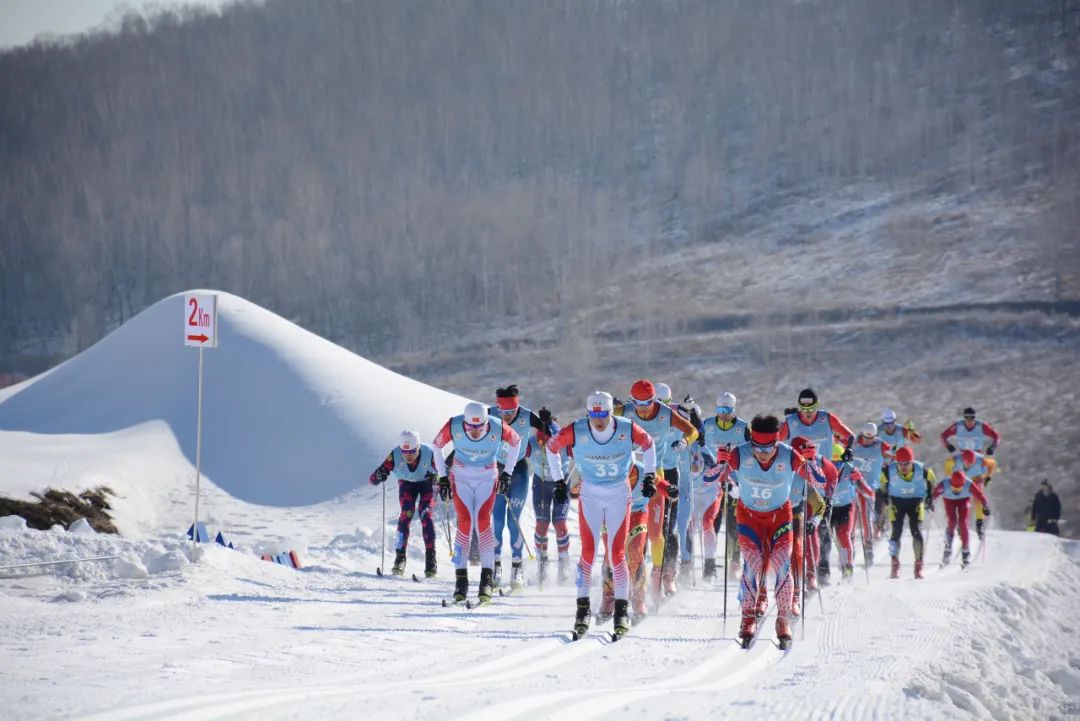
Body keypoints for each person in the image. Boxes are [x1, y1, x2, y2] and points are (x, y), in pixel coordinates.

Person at [546, 391, 657, 638]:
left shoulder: (626, 428)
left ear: (610, 412)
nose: (598, 420)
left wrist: (649, 475)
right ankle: (583, 610)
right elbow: (552, 447)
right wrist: (558, 481)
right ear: (588, 413)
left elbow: (649, 444)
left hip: (619, 493)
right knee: (588, 552)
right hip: (590, 495)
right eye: (594, 415)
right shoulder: (577, 430)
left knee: (618, 555)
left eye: (603, 415)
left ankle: (621, 611)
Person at [715, 415, 822, 647]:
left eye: (769, 447)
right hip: (749, 517)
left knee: (783, 566)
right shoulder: (740, 453)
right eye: (758, 447)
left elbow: (819, 480)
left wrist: (812, 461)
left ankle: (783, 621)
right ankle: (747, 619)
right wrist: (720, 462)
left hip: (779, 516)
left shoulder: (789, 454)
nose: (763, 453)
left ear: (777, 442)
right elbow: (710, 477)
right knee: (753, 565)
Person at [433, 401, 522, 603]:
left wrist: (507, 473)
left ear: (485, 422)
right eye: (470, 427)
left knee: (482, 522)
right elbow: (436, 445)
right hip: (461, 476)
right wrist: (442, 477)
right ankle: (461, 581)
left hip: (486, 476)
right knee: (464, 523)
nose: (474, 431)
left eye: (479, 427)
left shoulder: (497, 425)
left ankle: (486, 580)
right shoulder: (454, 425)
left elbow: (516, 441)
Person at [624, 379, 698, 602]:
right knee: (637, 530)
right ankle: (634, 581)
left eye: (649, 402)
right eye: (639, 403)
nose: (645, 408)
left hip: (663, 473)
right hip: (634, 473)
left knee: (663, 530)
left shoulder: (667, 413)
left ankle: (665, 575)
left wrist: (684, 443)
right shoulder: (627, 411)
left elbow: (694, 431)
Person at [488, 385, 557, 588]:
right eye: (502, 412)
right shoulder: (490, 413)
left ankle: (517, 567)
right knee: (498, 520)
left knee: (513, 521)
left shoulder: (527, 416)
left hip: (518, 471)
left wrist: (547, 422)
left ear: (517, 408)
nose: (505, 416)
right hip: (496, 470)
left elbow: (551, 435)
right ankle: (496, 565)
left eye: (510, 412)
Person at [368, 430, 439, 577]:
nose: (408, 455)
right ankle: (400, 558)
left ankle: (431, 560)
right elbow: (372, 479)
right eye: (405, 451)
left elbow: (446, 475)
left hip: (426, 484)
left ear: (418, 448)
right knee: (406, 514)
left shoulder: (429, 453)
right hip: (407, 484)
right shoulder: (395, 455)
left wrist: (438, 478)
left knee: (425, 514)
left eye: (412, 451)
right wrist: (379, 475)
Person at [701, 392, 750, 576]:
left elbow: (750, 452)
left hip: (735, 481)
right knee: (712, 521)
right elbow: (700, 447)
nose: (724, 414)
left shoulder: (743, 427)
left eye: (727, 410)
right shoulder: (707, 425)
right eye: (720, 410)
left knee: (734, 522)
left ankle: (735, 560)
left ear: (733, 409)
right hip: (712, 481)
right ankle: (709, 563)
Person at [785, 437, 829, 614]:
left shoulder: (806, 475)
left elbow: (820, 505)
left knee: (797, 550)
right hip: (773, 515)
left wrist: (814, 522)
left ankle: (795, 596)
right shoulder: (780, 467)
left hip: (795, 513)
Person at [880, 446, 936, 579]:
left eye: (907, 464)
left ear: (912, 461)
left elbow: (932, 481)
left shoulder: (922, 469)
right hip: (897, 503)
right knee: (896, 532)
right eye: (900, 464)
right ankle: (895, 565)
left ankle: (918, 566)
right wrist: (885, 497)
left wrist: (929, 497)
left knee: (916, 530)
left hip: (915, 502)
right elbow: (882, 485)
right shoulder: (889, 471)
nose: (903, 467)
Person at [821, 443, 874, 581]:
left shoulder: (850, 469)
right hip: (827, 509)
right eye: (832, 463)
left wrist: (859, 478)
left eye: (838, 463)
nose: (835, 467)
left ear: (843, 461)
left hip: (846, 507)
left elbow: (868, 493)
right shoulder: (821, 471)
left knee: (844, 535)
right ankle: (822, 571)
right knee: (824, 539)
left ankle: (848, 568)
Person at [528, 428, 572, 587]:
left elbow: (584, 454)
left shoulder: (565, 442)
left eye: (546, 443)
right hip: (541, 484)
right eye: (540, 442)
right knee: (542, 523)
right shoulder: (532, 443)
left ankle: (564, 563)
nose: (543, 446)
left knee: (559, 522)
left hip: (562, 483)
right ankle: (542, 562)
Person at [931, 470, 989, 567]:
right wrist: (930, 501)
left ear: (963, 484)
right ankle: (948, 547)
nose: (956, 491)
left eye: (959, 488)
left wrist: (985, 505)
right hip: (949, 500)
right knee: (952, 521)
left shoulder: (968, 484)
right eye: (954, 488)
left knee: (963, 522)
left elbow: (979, 495)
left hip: (964, 500)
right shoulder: (944, 484)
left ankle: (965, 550)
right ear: (950, 483)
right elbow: (935, 493)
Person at [779, 388, 855, 458]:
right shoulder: (790, 421)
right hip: (800, 470)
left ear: (817, 405)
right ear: (799, 407)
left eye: (811, 408)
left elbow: (850, 436)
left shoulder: (828, 418)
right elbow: (776, 443)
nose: (808, 412)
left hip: (824, 469)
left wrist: (849, 448)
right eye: (804, 409)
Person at [851, 422, 892, 548]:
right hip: (852, 484)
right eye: (866, 438)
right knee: (852, 517)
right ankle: (849, 543)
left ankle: (868, 545)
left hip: (869, 487)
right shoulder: (853, 443)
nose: (869, 441)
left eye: (871, 438)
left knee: (866, 516)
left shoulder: (881, 445)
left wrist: (888, 463)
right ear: (861, 435)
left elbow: (894, 454)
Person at [942, 449, 998, 540]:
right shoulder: (954, 461)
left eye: (971, 463)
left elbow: (992, 464)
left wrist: (988, 477)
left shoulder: (981, 461)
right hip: (962, 480)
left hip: (975, 478)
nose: (968, 465)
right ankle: (957, 523)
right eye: (966, 463)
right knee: (957, 498)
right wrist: (950, 477)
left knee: (978, 497)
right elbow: (947, 464)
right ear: (962, 459)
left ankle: (979, 523)